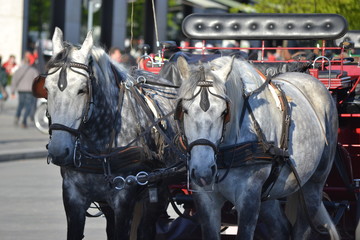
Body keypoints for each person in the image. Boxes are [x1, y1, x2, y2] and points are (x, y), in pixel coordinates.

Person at [10, 51, 39, 128]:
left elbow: (14, 80)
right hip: (29, 91)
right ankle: (24, 121)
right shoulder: (33, 70)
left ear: (23, 62)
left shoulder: (18, 70)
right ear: (30, 62)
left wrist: (12, 91)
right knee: (28, 106)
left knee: (20, 104)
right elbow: (37, 81)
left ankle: (17, 116)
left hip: (20, 90)